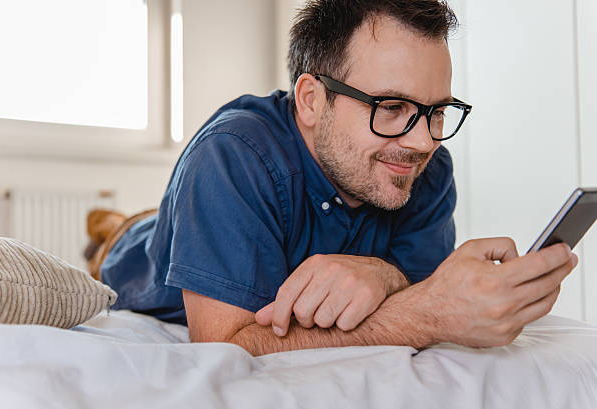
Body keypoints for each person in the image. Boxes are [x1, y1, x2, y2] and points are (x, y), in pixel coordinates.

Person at [89, 0, 577, 356]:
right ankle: (110, 228)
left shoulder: (424, 165)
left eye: (437, 112)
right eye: (391, 107)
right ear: (311, 100)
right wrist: (427, 313)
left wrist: (385, 274)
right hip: (138, 259)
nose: (425, 141)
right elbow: (225, 344)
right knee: (118, 241)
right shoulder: (232, 155)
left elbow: (421, 279)